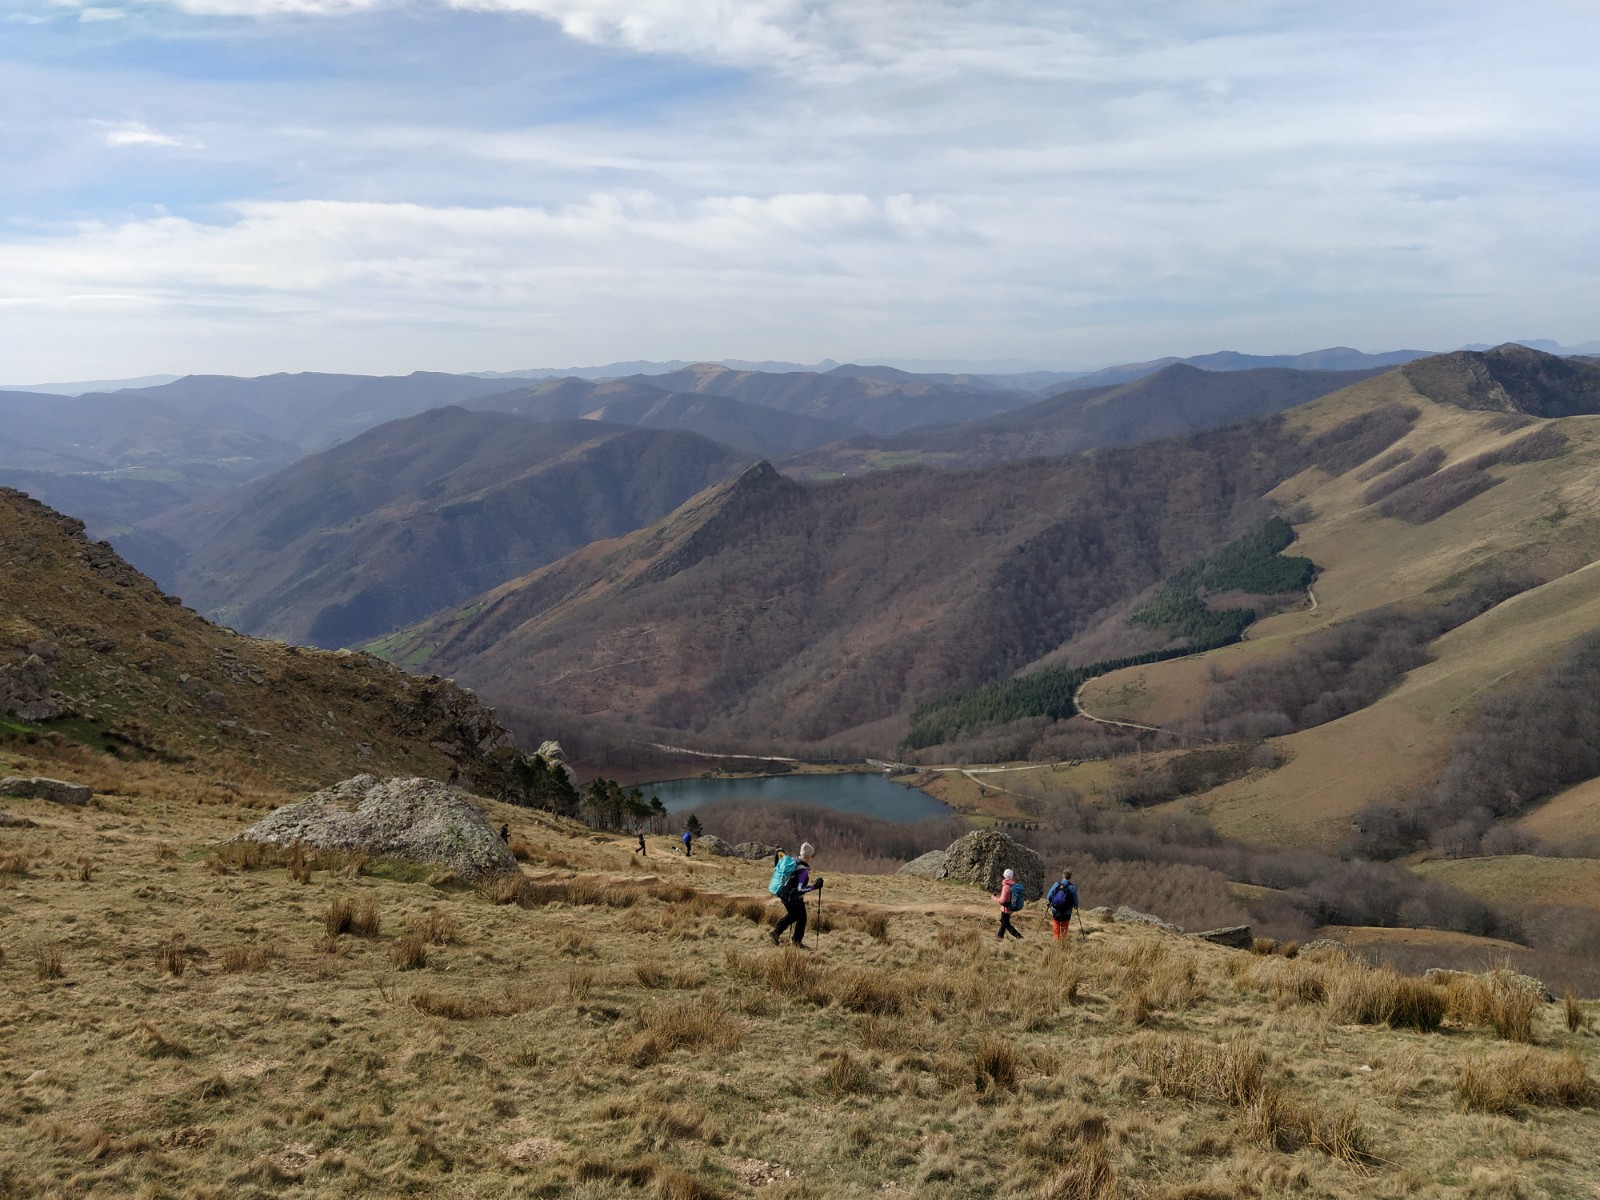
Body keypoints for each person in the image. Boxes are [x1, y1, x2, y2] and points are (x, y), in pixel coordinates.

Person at [769, 842, 822, 948]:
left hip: (783, 895)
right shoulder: (803, 871)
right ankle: (796, 942)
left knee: (793, 915)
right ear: (807, 857)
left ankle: (776, 931)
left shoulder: (793, 861)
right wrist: (815, 887)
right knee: (802, 918)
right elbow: (800, 889)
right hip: (793, 898)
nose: (812, 858)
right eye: (812, 856)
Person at [1046, 869, 1080, 940]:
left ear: (1063, 875)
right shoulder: (1072, 887)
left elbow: (1049, 896)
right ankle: (1063, 941)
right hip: (1067, 910)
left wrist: (1050, 901)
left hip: (1056, 909)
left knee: (1056, 923)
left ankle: (1056, 940)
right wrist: (1075, 905)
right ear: (1070, 877)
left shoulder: (1056, 884)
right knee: (1064, 925)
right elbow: (1076, 901)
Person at [994, 868, 1023, 940]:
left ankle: (1018, 936)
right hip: (1010, 907)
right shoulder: (1013, 885)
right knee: (1003, 921)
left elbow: (1002, 900)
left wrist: (994, 898)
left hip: (1005, 908)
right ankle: (1000, 936)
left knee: (1006, 924)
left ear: (1004, 876)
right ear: (1011, 876)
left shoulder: (1006, 887)